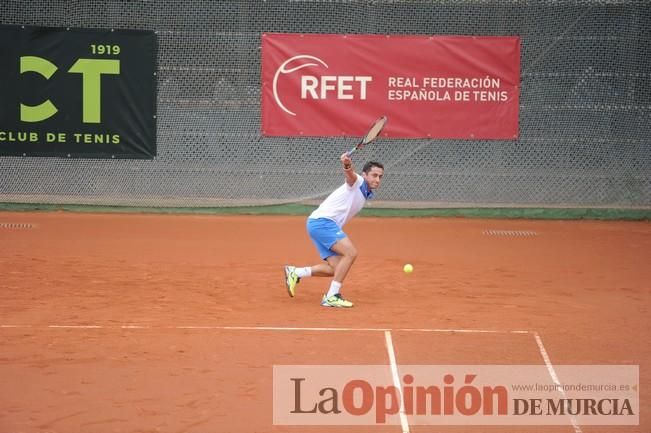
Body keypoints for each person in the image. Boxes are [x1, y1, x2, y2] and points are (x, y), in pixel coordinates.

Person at [284, 153, 384, 308]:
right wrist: (347, 165)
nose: (377, 180)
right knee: (350, 253)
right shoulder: (357, 182)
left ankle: (296, 273)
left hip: (318, 223)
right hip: (323, 223)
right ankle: (332, 296)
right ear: (364, 175)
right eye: (374, 175)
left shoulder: (365, 191)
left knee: (336, 269)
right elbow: (350, 176)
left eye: (380, 177)